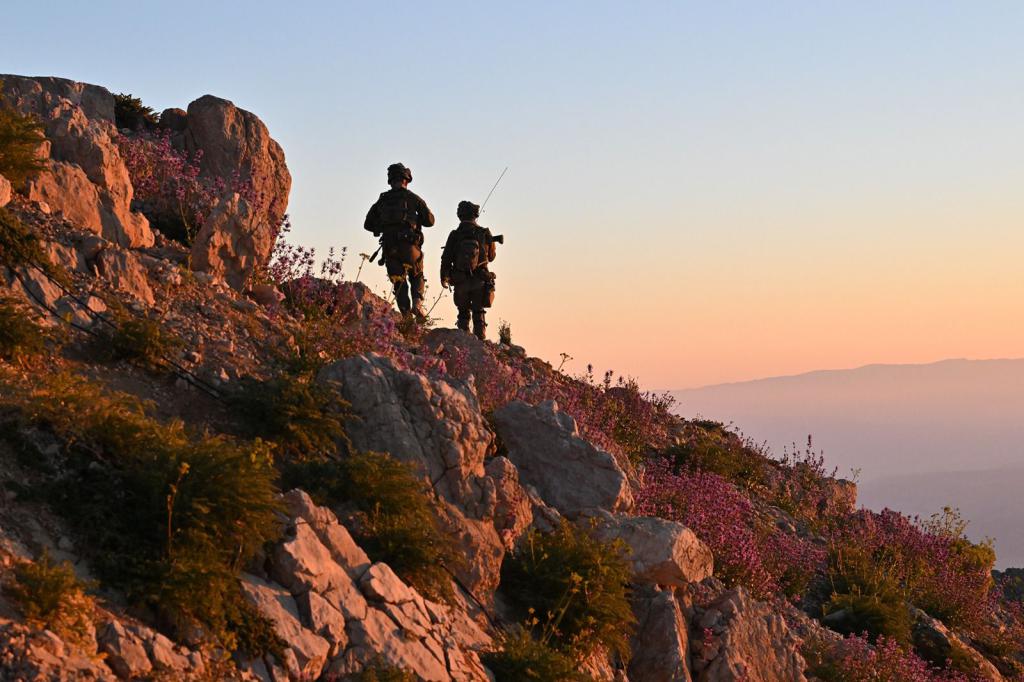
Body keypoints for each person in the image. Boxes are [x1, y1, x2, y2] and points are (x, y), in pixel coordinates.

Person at [364, 163, 435, 319]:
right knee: (417, 275)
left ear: (390, 180)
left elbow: (367, 224)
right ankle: (417, 304)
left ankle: (406, 317)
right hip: (410, 246)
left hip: (390, 248)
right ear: (406, 180)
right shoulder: (413, 198)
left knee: (398, 282)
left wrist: (381, 227)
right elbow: (430, 221)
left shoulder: (382, 200)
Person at [440, 200, 497, 340]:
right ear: (475, 215)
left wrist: (444, 277)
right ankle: (480, 341)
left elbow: (446, 258)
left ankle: (464, 341)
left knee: (463, 312)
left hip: (460, 280)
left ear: (460, 215)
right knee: (478, 311)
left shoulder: (454, 234)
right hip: (480, 279)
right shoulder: (484, 233)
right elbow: (492, 257)